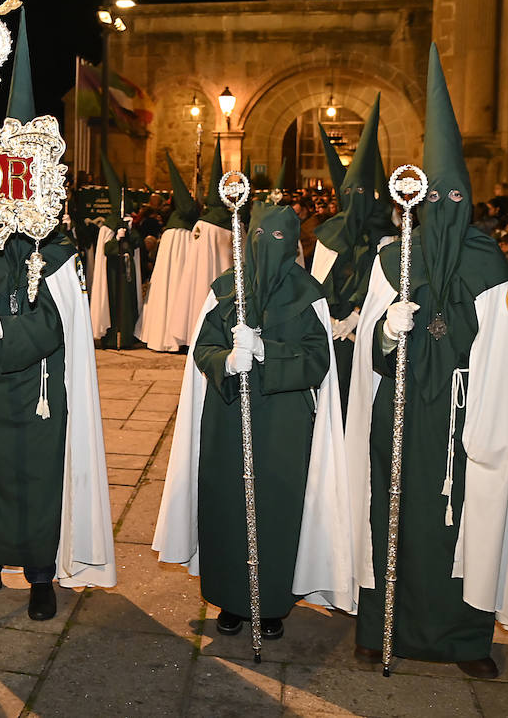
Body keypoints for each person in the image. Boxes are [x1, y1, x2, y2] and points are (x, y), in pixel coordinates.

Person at [346, 46, 508, 678]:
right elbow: (370, 346)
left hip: (460, 420)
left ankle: (463, 639)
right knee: (389, 518)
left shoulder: (489, 269)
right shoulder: (390, 258)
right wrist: (388, 331)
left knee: (460, 529)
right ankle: (380, 627)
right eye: (439, 197)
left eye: (458, 196)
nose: (447, 208)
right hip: (398, 415)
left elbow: (505, 358)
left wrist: (479, 411)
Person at [0, 21, 115, 618]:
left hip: (35, 396)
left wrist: (0, 331)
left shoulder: (55, 256)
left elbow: (58, 327)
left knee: (34, 482)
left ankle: (38, 574)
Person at [154, 200, 354, 640]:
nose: (267, 248)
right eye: (260, 238)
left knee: (277, 507)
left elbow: (318, 361)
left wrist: (267, 352)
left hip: (284, 421)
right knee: (226, 503)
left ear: (294, 244)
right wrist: (228, 359)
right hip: (228, 414)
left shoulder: (309, 295)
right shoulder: (225, 288)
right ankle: (229, 597)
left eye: (279, 239)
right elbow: (202, 350)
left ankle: (272, 603)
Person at [310, 95, 393, 401]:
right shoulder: (328, 233)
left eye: (361, 191)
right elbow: (318, 279)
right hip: (331, 326)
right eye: (349, 191)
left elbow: (385, 283)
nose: (355, 197)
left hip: (365, 323)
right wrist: (328, 318)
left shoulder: (386, 237)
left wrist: (358, 317)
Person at [135, 152, 201, 352]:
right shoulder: (183, 230)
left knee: (167, 290)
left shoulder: (172, 229)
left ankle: (164, 333)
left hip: (174, 271)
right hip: (182, 271)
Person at [173, 140, 235, 344]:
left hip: (201, 275)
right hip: (226, 275)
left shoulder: (203, 224)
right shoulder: (232, 221)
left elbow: (195, 253)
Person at [90, 154, 145, 349]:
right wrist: (116, 239)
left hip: (127, 273)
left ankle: (128, 337)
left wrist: (130, 232)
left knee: (128, 304)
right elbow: (106, 250)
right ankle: (112, 337)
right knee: (115, 305)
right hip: (113, 274)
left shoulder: (127, 222)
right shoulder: (109, 225)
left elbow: (138, 245)